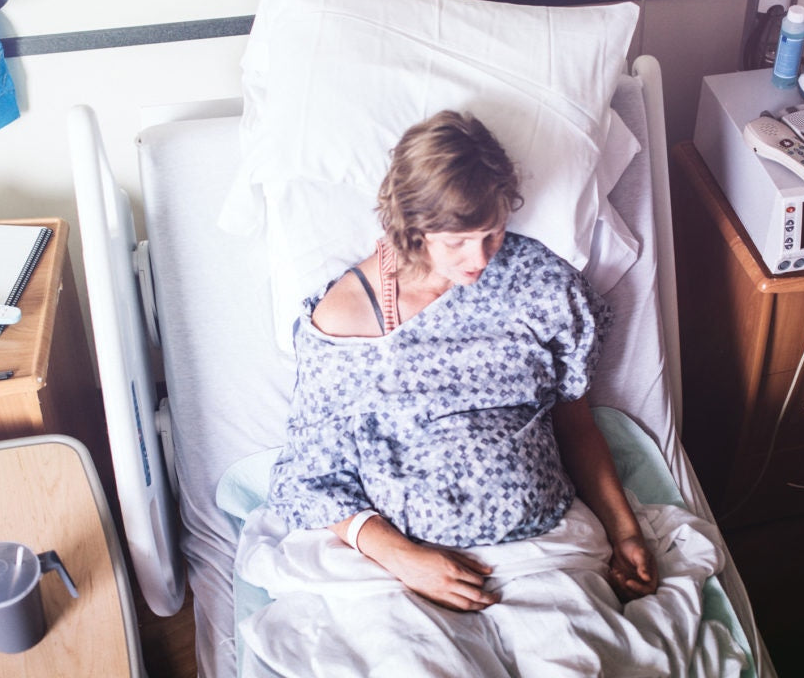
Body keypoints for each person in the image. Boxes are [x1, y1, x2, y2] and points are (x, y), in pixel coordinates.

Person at [268, 109, 659, 613]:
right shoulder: (348, 318)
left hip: (545, 546)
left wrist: (625, 532)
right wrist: (406, 560)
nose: (479, 259)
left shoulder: (540, 284)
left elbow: (575, 421)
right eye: (456, 242)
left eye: (493, 233)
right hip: (403, 570)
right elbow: (309, 475)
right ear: (412, 228)